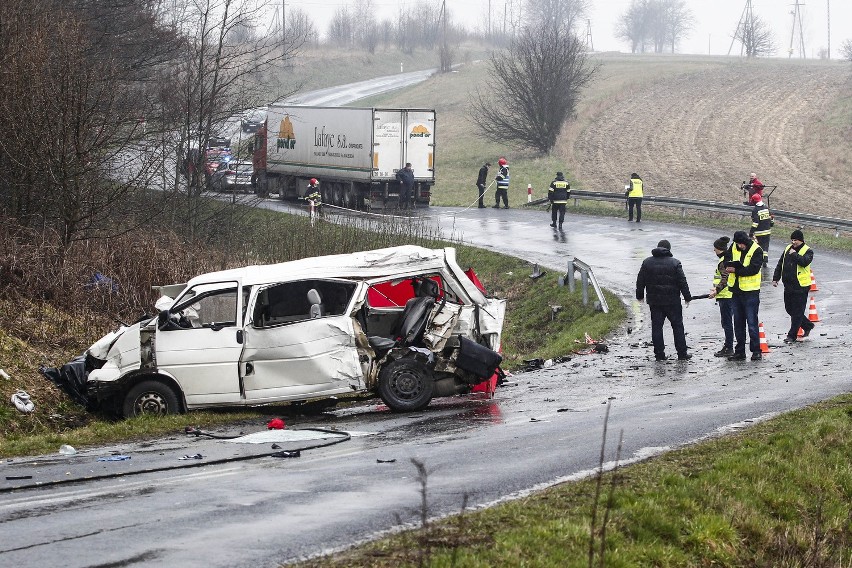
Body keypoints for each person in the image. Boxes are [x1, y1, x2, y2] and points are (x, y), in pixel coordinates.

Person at [636, 239, 693, 361]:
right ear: (669, 250)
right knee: (677, 326)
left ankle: (659, 355)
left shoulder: (647, 263)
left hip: (655, 301)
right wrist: (687, 297)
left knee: (657, 327)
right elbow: (682, 281)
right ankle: (682, 353)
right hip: (673, 301)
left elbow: (640, 280)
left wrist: (639, 296)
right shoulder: (675, 263)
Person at [725, 230, 764, 361]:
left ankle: (756, 350)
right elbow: (726, 258)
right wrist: (727, 266)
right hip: (736, 291)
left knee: (752, 322)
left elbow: (753, 269)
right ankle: (740, 351)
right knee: (738, 323)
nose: (739, 246)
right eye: (738, 244)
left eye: (741, 244)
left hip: (751, 291)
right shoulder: (734, 246)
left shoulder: (757, 250)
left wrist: (736, 270)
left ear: (746, 241)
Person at [772, 229, 815, 343]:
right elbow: (780, 263)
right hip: (788, 285)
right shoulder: (787, 248)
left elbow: (804, 262)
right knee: (789, 309)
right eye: (792, 240)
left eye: (795, 240)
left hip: (801, 286)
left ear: (801, 240)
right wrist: (776, 278)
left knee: (797, 312)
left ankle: (792, 336)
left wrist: (795, 254)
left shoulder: (808, 251)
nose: (793, 242)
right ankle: (807, 325)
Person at [708, 236, 734, 357]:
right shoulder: (726, 258)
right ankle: (729, 346)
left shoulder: (724, 261)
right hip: (726, 295)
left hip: (726, 296)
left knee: (727, 322)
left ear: (720, 249)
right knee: (727, 322)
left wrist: (716, 291)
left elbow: (725, 278)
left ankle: (729, 347)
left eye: (715, 248)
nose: (714, 251)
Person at [748, 192, 772, 266]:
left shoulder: (755, 210)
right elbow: (771, 217)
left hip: (759, 232)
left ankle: (759, 260)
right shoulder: (766, 207)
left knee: (759, 246)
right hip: (767, 231)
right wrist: (771, 224)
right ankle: (765, 259)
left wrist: (751, 232)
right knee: (765, 246)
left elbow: (756, 222)